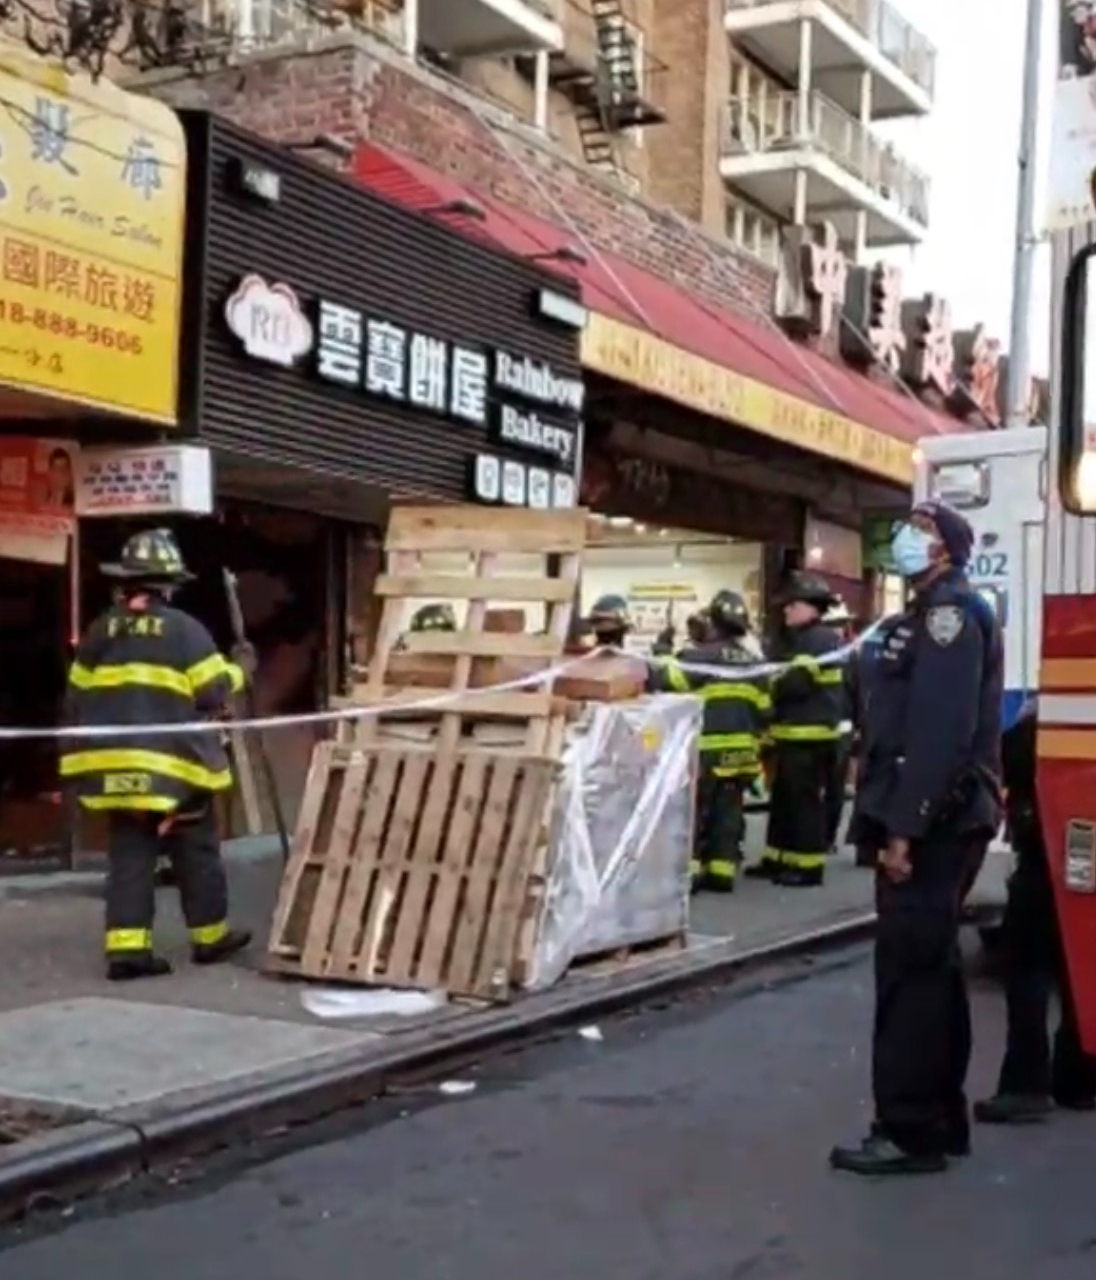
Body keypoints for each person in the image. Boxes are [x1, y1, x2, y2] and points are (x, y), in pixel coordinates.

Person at [831, 500, 1003, 1176]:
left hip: (931, 825)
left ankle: (908, 1131)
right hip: (928, 819)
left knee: (910, 979)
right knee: (931, 971)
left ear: (944, 550)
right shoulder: (920, 616)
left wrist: (904, 831)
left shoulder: (949, 615)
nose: (906, 539)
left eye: (921, 532)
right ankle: (937, 1120)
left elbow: (937, 735)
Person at [60, 529, 253, 982]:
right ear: (167, 585)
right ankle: (209, 938)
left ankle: (127, 950)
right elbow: (212, 692)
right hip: (172, 768)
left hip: (110, 765)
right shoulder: (185, 631)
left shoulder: (97, 632)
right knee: (196, 846)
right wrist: (241, 668)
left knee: (130, 849)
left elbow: (76, 697)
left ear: (125, 583)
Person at [974, 697, 1096, 1123]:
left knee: (1027, 965)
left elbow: (1014, 754)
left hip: (1051, 850)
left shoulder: (1055, 712)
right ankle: (1079, 1076)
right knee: (1079, 962)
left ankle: (1026, 1084)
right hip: (1084, 846)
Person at [648, 590, 769, 892]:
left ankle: (692, 873)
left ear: (714, 624)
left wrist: (662, 648)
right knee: (728, 813)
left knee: (696, 813)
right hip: (742, 754)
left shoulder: (701, 657)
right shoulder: (754, 663)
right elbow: (766, 709)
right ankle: (722, 872)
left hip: (706, 751)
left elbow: (664, 680)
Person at [747, 571, 842, 887]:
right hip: (793, 733)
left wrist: (766, 683)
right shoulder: (803, 639)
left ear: (813, 607)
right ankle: (778, 857)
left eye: (792, 605)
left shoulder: (818, 640)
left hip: (809, 735)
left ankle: (807, 866)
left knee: (803, 802)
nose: (786, 610)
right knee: (784, 800)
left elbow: (796, 684)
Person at [821, 598, 855, 853]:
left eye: (840, 624)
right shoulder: (820, 652)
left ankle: (827, 836)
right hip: (818, 727)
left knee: (834, 788)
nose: (837, 629)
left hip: (841, 728)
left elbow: (858, 690)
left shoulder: (850, 654)